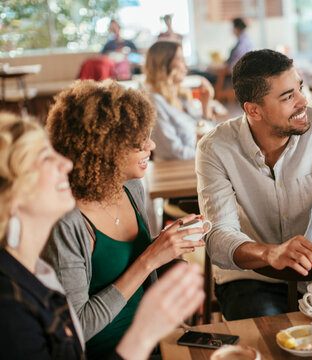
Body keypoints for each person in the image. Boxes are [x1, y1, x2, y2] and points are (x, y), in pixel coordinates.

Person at [0, 113, 205, 359]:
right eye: (46, 159)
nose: (66, 164)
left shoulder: (33, 272)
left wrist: (164, 256)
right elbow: (82, 331)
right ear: (11, 195)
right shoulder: (9, 305)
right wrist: (144, 333)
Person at [196, 49, 312, 321]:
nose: (304, 101)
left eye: (299, 88)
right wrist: (270, 253)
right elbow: (218, 238)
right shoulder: (215, 148)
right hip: (249, 277)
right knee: (274, 337)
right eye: (288, 97)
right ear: (253, 110)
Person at [145, 40, 215, 161]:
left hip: (196, 162)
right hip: (176, 171)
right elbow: (175, 153)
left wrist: (206, 104)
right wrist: (211, 154)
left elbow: (206, 134)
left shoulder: (181, 97)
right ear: (164, 64)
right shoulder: (155, 102)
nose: (186, 66)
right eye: (180, 60)